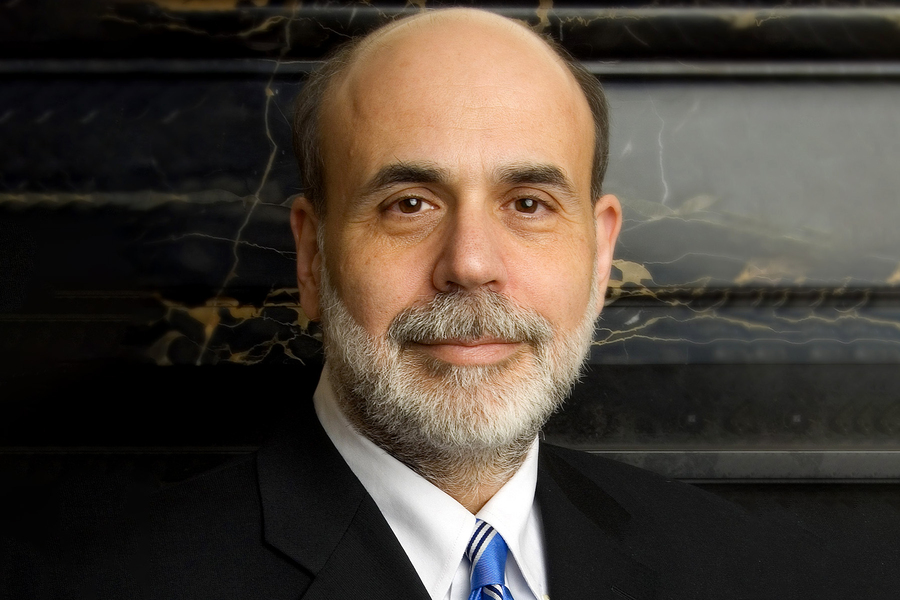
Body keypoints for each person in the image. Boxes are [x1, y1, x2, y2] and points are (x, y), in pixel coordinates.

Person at [1, 7, 877, 600]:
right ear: (311, 257)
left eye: (529, 204)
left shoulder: (765, 575)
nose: (470, 264)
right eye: (408, 204)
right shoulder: (103, 583)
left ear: (600, 251)